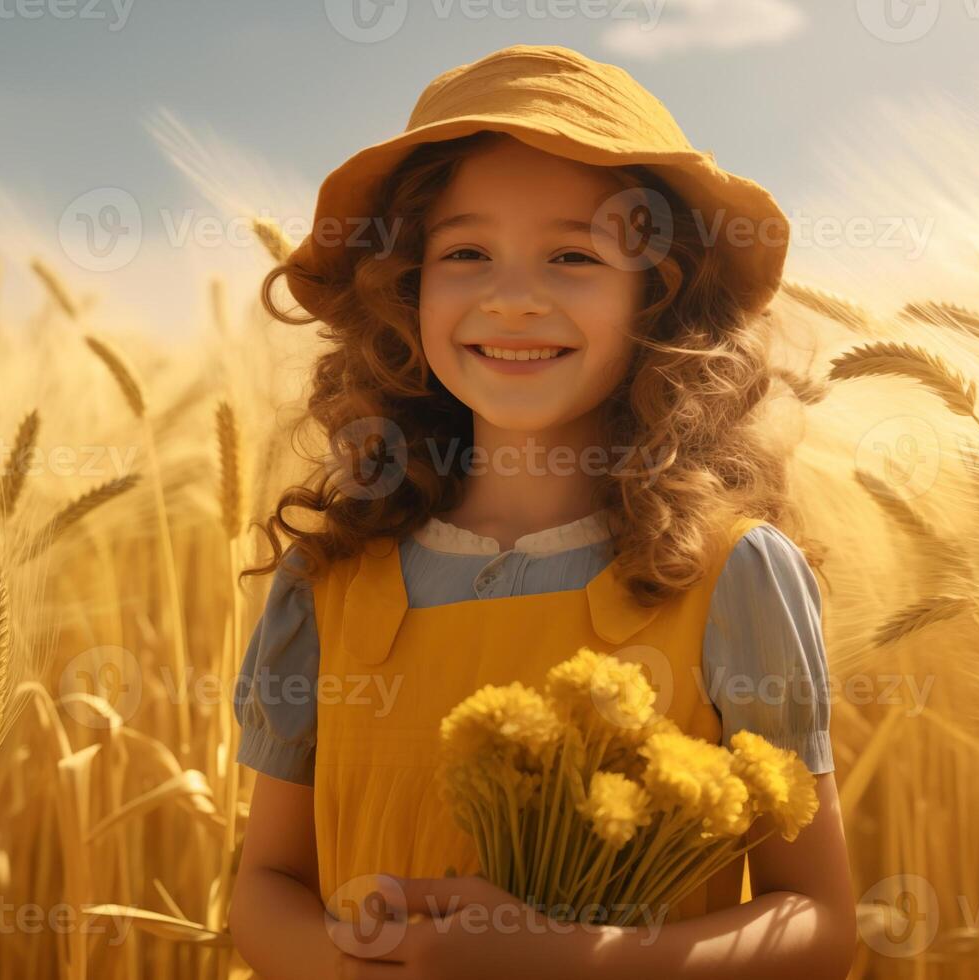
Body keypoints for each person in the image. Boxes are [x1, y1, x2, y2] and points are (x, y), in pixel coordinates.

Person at [229, 42, 855, 980]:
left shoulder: (734, 575)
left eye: (573, 255)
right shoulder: (325, 583)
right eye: (465, 253)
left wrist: (580, 961)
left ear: (657, 294)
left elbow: (815, 920)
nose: (512, 297)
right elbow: (267, 883)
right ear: (406, 288)